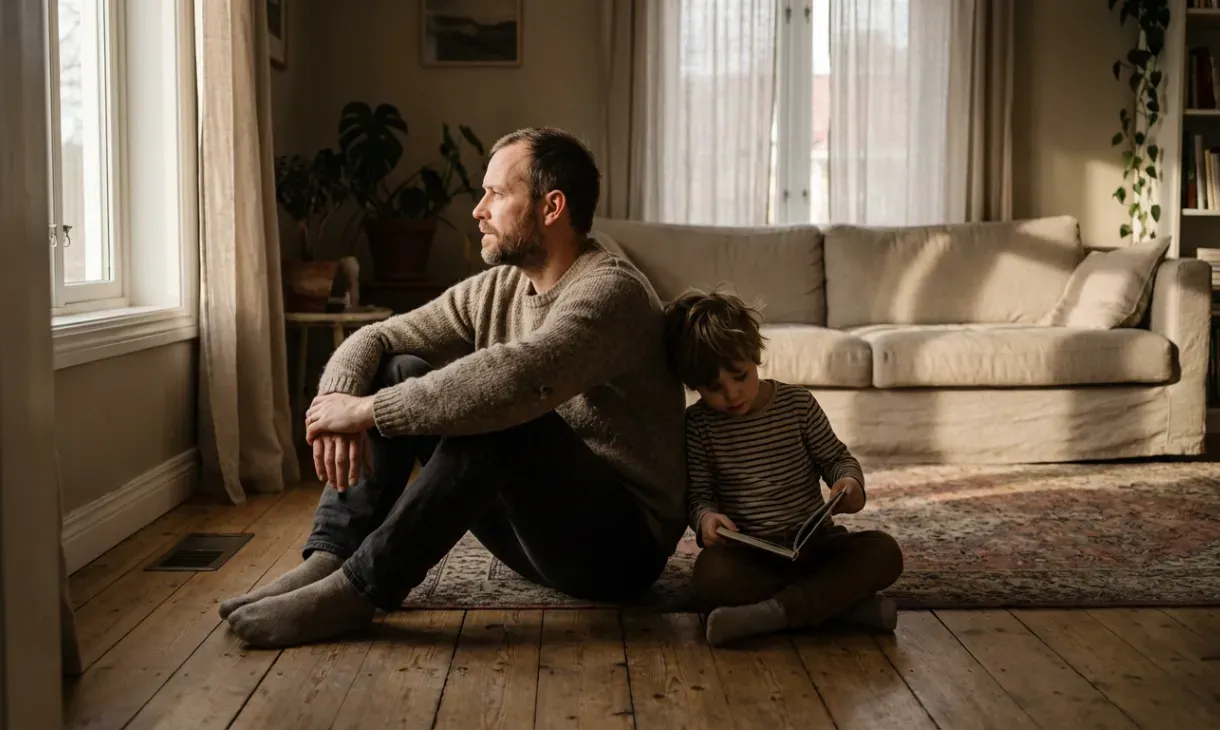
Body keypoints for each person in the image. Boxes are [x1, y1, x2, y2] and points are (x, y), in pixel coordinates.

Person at [219, 128, 688, 648]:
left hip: (618, 550)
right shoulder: (502, 286)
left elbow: (515, 379)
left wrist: (366, 413)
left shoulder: (610, 291)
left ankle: (361, 591)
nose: (477, 210)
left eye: (497, 194)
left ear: (551, 206)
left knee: (507, 415)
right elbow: (378, 337)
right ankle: (330, 558)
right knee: (401, 367)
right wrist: (335, 404)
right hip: (536, 538)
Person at [662, 288, 904, 646]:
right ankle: (844, 608)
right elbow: (699, 497)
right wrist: (708, 521)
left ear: (755, 355)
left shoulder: (798, 404)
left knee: (885, 552)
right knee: (709, 576)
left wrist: (849, 484)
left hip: (817, 546)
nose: (731, 395)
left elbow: (837, 459)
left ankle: (773, 614)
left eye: (740, 376)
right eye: (714, 389)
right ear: (692, 386)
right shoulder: (699, 425)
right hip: (753, 557)